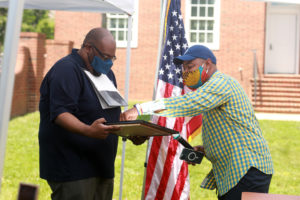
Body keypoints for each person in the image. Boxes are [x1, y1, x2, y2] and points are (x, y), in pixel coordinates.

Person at [120, 45, 274, 200]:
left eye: (190, 66)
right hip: (238, 171)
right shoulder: (211, 87)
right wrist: (208, 149)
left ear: (207, 64)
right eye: (184, 68)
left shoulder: (221, 83)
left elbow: (188, 104)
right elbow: (230, 128)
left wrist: (140, 109)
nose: (185, 72)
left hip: (248, 169)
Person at [38, 27, 142, 200]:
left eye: (112, 58)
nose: (109, 63)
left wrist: (130, 133)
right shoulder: (66, 70)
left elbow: (110, 115)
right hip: (73, 168)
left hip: (102, 166)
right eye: (105, 57)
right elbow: (60, 113)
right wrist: (88, 131)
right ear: (88, 47)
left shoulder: (106, 74)